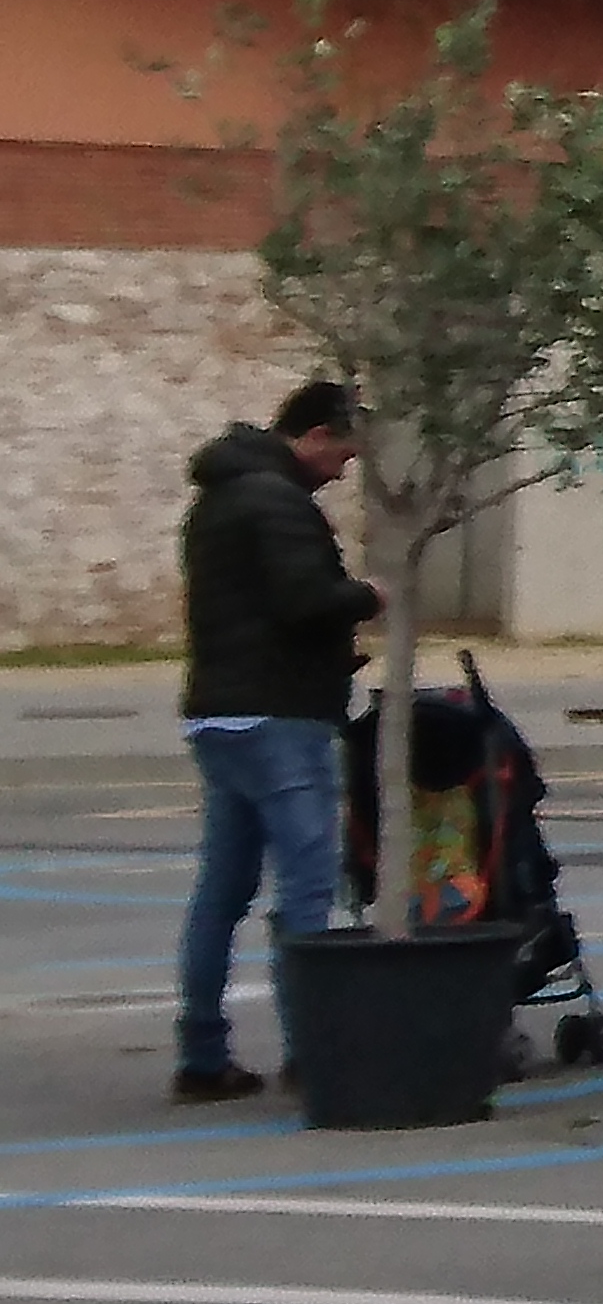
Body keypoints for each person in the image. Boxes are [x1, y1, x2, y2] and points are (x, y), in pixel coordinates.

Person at [172, 378, 380, 1104]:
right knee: (307, 891)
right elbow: (303, 600)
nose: (344, 471)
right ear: (317, 435)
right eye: (344, 455)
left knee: (220, 892)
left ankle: (202, 1055)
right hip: (281, 717)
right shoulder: (280, 502)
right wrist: (368, 596)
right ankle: (311, 1051)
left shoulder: (219, 497)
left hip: (219, 714)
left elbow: (252, 606)